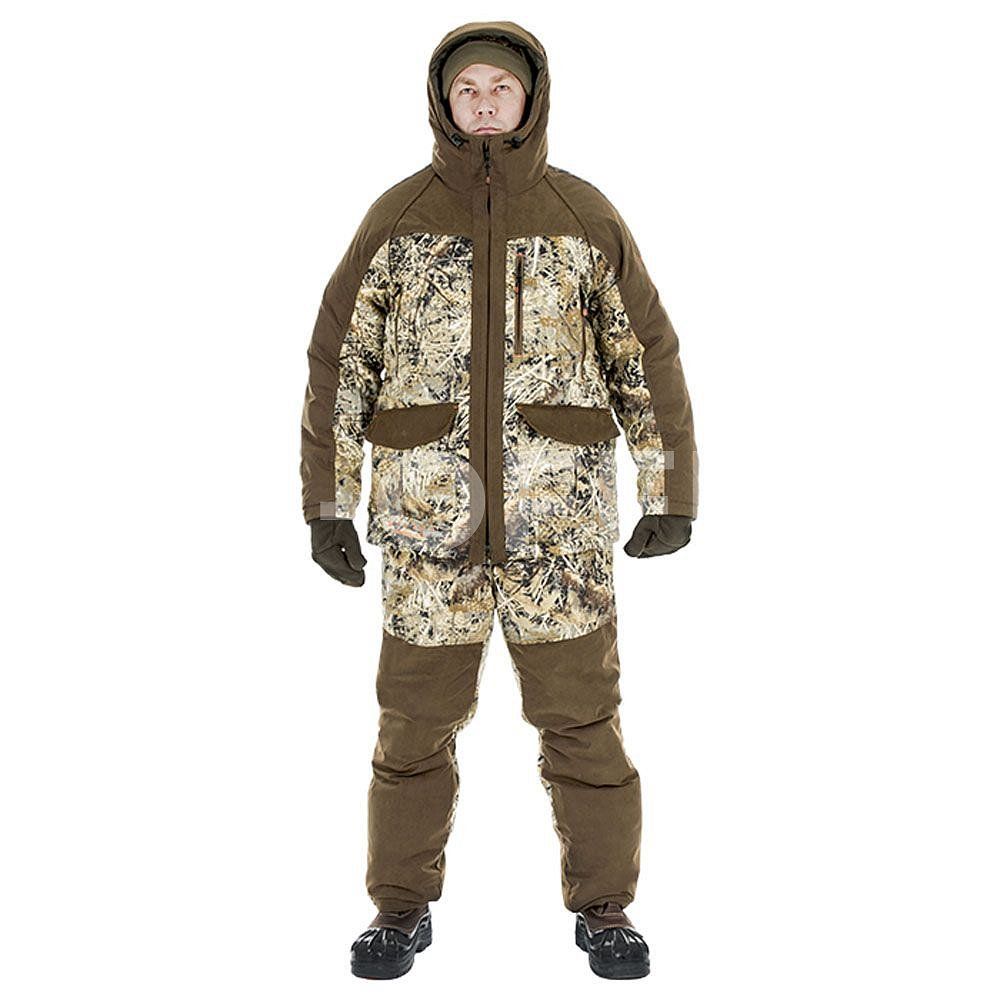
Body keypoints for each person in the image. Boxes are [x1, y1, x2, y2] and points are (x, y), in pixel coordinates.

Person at [300, 20, 699, 980]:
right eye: (467, 88)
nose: (484, 103)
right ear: (444, 102)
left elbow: (644, 355)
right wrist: (327, 503)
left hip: (558, 529)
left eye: (501, 88)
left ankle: (606, 909)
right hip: (428, 528)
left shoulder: (583, 216)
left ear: (531, 98)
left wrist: (670, 488)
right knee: (411, 728)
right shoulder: (396, 219)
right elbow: (339, 362)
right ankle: (398, 909)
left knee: (583, 724)